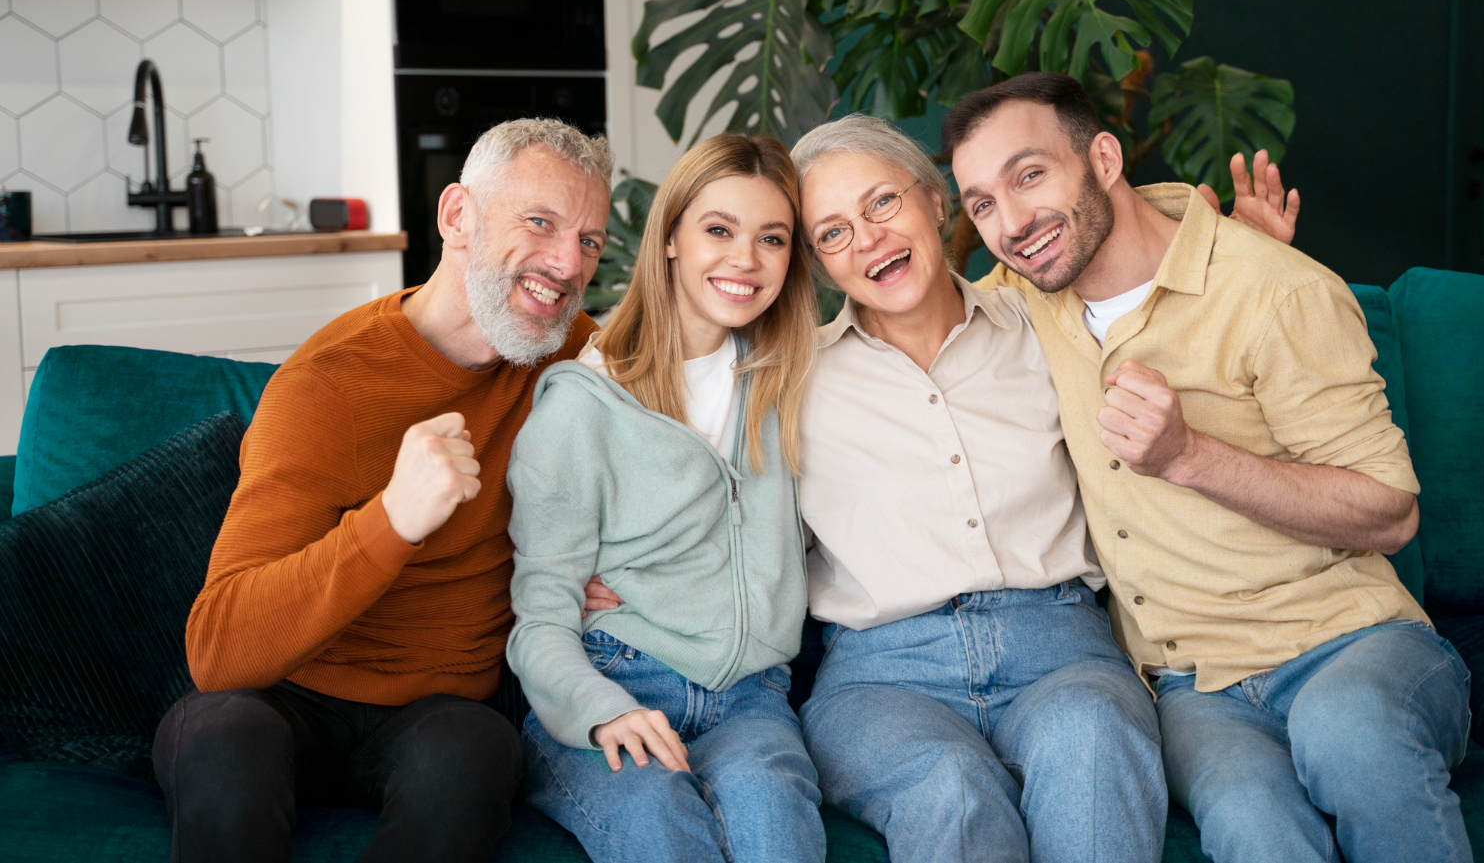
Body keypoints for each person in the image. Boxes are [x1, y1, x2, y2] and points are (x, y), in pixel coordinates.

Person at [947, 72, 1471, 863]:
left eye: (1030, 175)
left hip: (1349, 641)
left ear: (1104, 157)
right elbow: (914, 313)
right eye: (982, 202)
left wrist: (1189, 456)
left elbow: (1392, 512)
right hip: (1193, 684)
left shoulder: (1275, 290)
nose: (1013, 221)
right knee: (1248, 818)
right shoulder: (1023, 296)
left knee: (1349, 732)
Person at [152, 118, 614, 863]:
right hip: (281, 698)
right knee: (221, 737)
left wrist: (617, 564)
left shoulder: (575, 359)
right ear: (458, 215)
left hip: (440, 715)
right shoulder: (324, 384)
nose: (566, 263)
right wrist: (393, 520)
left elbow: (687, 450)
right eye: (540, 223)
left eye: (589, 240)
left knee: (474, 755)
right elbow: (219, 650)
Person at [787, 115, 1167, 863]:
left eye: (881, 204)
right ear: (820, 263)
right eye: (831, 233)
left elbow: (1148, 273)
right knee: (951, 784)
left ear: (935, 201)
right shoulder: (791, 380)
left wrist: (1246, 260)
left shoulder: (1042, 321)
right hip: (881, 675)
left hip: (1060, 648)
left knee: (1092, 738)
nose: (865, 239)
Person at [505, 133, 824, 863]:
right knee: (660, 828)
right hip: (616, 677)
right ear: (672, 236)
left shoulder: (795, 379)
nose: (745, 259)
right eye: (718, 229)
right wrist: (600, 709)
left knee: (778, 829)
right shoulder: (585, 404)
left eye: (771, 238)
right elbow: (539, 621)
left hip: (751, 697)